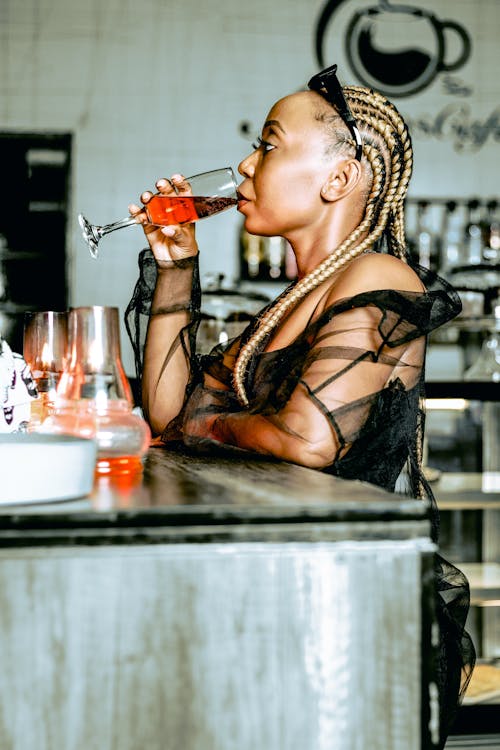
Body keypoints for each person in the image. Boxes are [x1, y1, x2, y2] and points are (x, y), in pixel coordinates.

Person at [125, 64, 474, 747]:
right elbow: (167, 414)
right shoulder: (284, 309)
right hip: (285, 586)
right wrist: (175, 271)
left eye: (268, 144)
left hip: (346, 614)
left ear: (338, 180)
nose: (245, 165)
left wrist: (210, 424)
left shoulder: (378, 276)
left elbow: (307, 441)